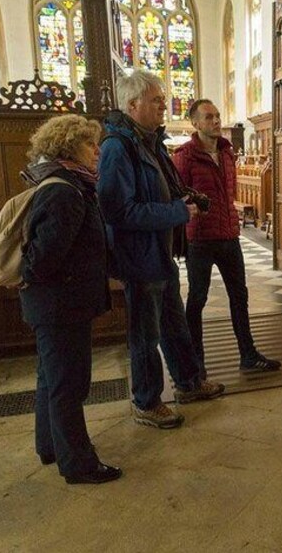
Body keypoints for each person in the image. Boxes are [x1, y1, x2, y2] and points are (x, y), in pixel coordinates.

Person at [98, 70, 224, 430]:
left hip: (160, 252)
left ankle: (187, 384)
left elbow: (158, 190)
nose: (162, 106)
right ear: (132, 104)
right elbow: (117, 211)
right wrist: (175, 211)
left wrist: (181, 198)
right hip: (138, 258)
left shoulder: (148, 142)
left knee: (174, 324)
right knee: (146, 335)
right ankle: (147, 401)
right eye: (156, 100)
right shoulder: (116, 147)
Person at [20, 114, 121, 484]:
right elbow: (40, 262)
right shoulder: (64, 191)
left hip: (55, 305)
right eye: (88, 144)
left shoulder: (66, 184)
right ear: (68, 148)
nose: (97, 150)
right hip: (61, 307)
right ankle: (80, 464)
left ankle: (51, 446)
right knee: (69, 385)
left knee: (51, 379)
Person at [173, 99, 282, 373]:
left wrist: (232, 223)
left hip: (228, 236)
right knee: (197, 299)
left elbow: (228, 194)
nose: (216, 121)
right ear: (195, 123)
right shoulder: (185, 156)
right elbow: (175, 194)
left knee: (240, 296)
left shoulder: (227, 153)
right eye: (209, 117)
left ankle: (248, 355)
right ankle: (195, 364)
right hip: (199, 239)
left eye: (218, 116)